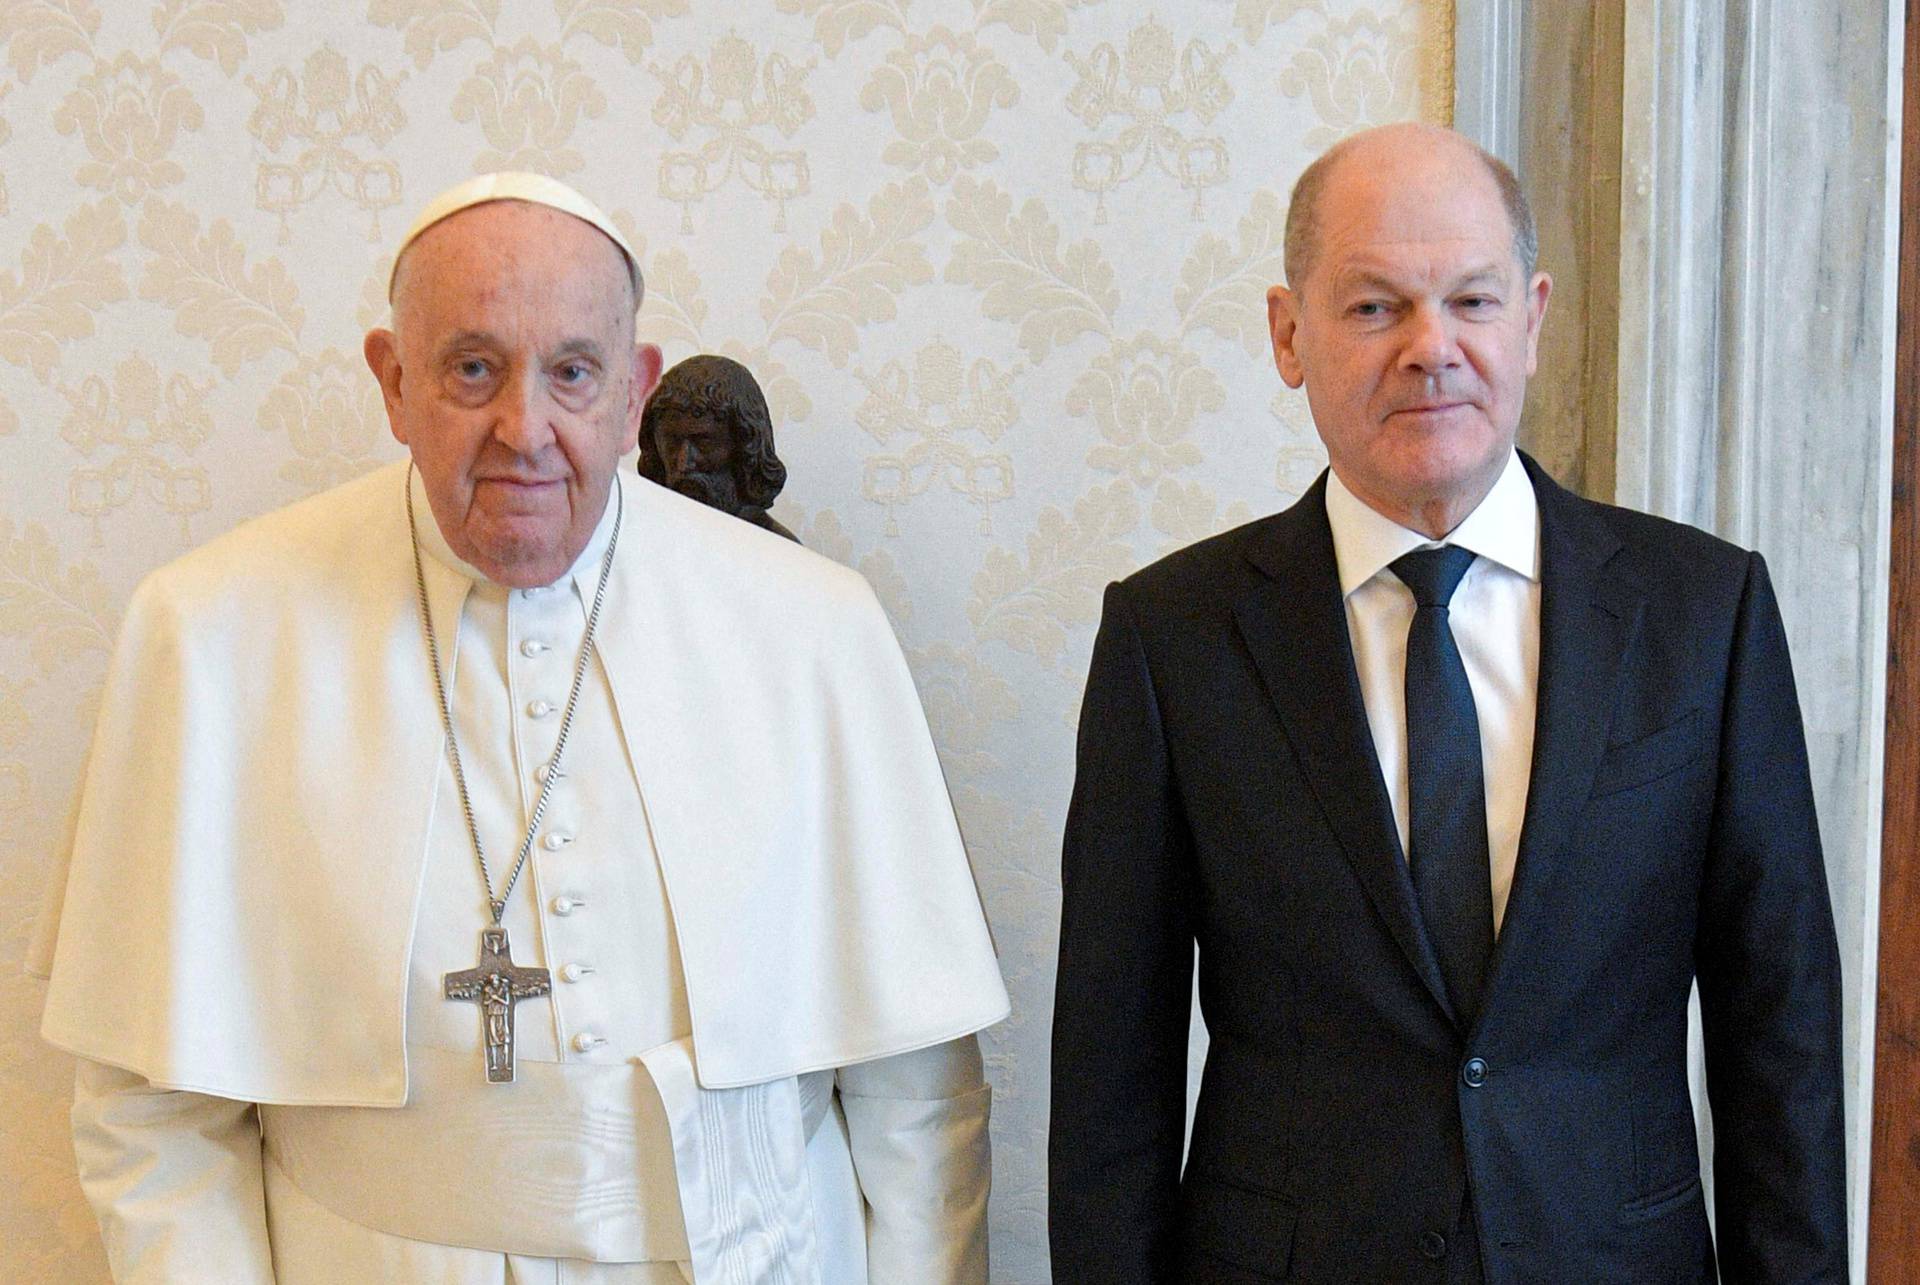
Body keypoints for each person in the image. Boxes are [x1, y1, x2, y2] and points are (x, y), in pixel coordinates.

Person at [33, 172, 1009, 1283]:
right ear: (392, 382)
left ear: (634, 391)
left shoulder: (813, 628)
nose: (525, 430)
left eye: (573, 373)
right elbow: (154, 1119)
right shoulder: (209, 636)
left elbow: (918, 1100)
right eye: (472, 368)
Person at [1048, 123, 1846, 1283]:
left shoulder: (1703, 613)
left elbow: (1784, 1037)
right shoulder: (1172, 638)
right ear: (1288, 333)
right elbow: (1109, 1079)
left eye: (1472, 301)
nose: (1434, 349)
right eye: (1375, 308)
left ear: (1532, 317)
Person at [638, 353, 798, 542]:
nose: (684, 463)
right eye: (671, 442)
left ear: (744, 445)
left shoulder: (781, 555)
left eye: (704, 442)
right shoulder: (637, 538)